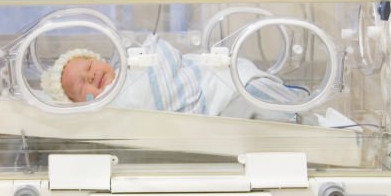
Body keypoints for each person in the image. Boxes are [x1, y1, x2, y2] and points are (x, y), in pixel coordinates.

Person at [40, 38, 303, 116]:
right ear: (80, 103)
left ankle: (302, 109)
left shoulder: (128, 66)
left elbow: (164, 56)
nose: (92, 76)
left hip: (229, 82)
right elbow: (151, 95)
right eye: (81, 85)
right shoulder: (111, 106)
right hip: (225, 103)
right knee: (267, 118)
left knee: (271, 105)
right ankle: (300, 111)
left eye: (88, 66)